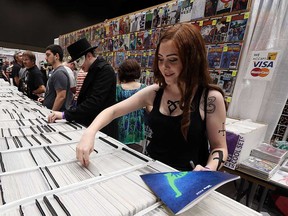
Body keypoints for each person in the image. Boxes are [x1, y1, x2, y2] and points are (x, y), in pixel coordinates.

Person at [75, 23, 228, 171]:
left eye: (173, 59)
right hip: (151, 172)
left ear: (192, 59)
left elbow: (219, 148)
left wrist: (209, 169)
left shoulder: (210, 98)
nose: (164, 67)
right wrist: (90, 133)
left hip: (188, 181)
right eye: (160, 59)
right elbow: (113, 111)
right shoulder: (155, 92)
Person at [48, 38, 117, 138]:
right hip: (93, 124)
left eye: (79, 61)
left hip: (102, 127)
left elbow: (94, 101)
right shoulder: (94, 69)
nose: (79, 67)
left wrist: (65, 115)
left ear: (88, 56)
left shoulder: (104, 70)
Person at [116, 59, 146, 152]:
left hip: (122, 124)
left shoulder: (118, 88)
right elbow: (149, 108)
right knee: (137, 151)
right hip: (137, 124)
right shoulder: (144, 88)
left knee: (120, 151)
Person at [42, 45, 73, 111]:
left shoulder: (59, 73)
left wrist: (52, 113)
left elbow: (61, 96)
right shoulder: (55, 71)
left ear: (56, 56)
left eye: (48, 55)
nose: (46, 58)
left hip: (56, 114)